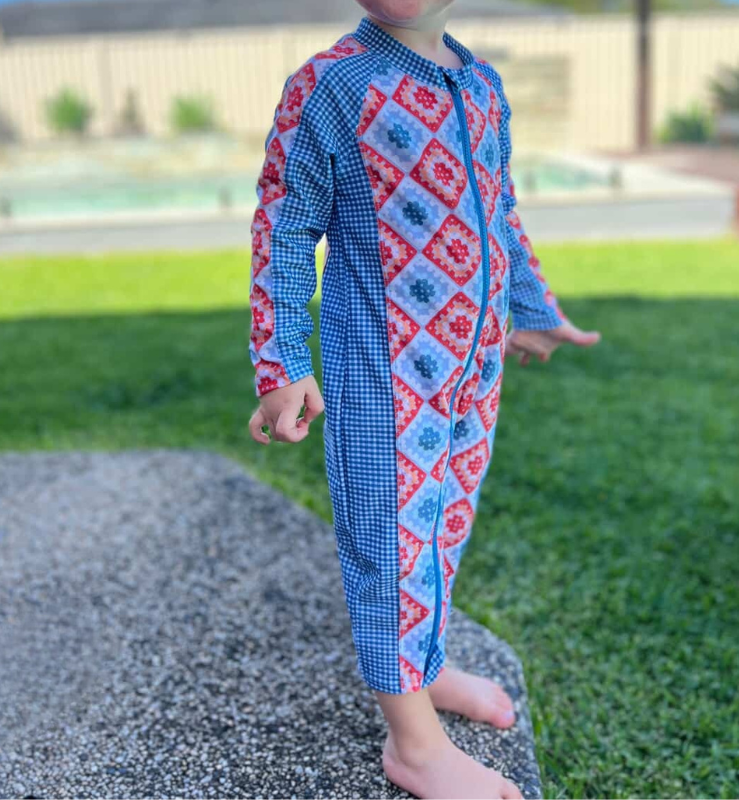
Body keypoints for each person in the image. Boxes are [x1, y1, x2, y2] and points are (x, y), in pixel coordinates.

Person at [246, 2, 601, 797]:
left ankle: (425, 668)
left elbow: (499, 210)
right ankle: (413, 745)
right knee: (390, 544)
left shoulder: (480, 84)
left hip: (473, 368)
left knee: (443, 524)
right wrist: (280, 362)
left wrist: (534, 308)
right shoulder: (332, 85)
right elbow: (285, 223)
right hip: (384, 374)